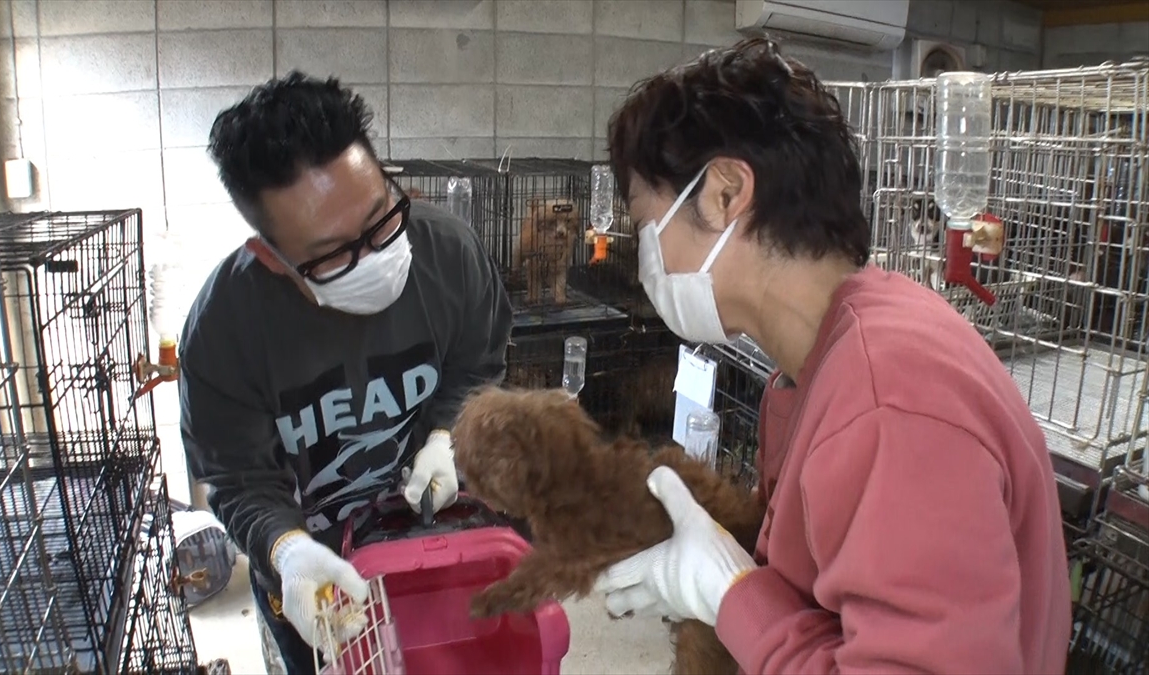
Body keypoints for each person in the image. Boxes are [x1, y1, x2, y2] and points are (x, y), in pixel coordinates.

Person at [591, 38, 1072, 673]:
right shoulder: (830, 354)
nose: (644, 257)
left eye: (643, 225)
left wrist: (734, 598)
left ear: (725, 194)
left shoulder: (887, 400)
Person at [180, 71, 513, 674]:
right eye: (333, 254)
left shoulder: (450, 255)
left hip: (426, 545)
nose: (376, 257)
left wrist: (446, 435)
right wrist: (288, 552)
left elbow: (477, 364)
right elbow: (238, 478)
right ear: (271, 258)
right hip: (319, 581)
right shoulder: (223, 329)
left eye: (381, 219)